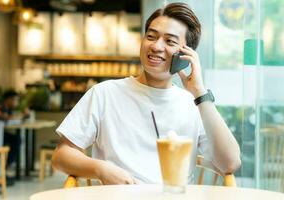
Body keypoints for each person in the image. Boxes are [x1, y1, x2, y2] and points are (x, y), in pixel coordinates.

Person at [52, 2, 241, 184]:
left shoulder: (193, 103)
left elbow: (230, 163)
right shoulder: (104, 94)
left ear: (185, 55)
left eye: (170, 41)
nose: (156, 46)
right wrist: (101, 169)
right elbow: (61, 155)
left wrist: (200, 93)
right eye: (151, 36)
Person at [0, 90, 28, 183]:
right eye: (15, 100)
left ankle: (2, 169)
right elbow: (3, 118)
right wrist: (22, 116)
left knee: (16, 140)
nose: (17, 103)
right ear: (8, 100)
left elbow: (7, 119)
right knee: (15, 140)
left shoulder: (6, 108)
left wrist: (21, 116)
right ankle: (1, 170)